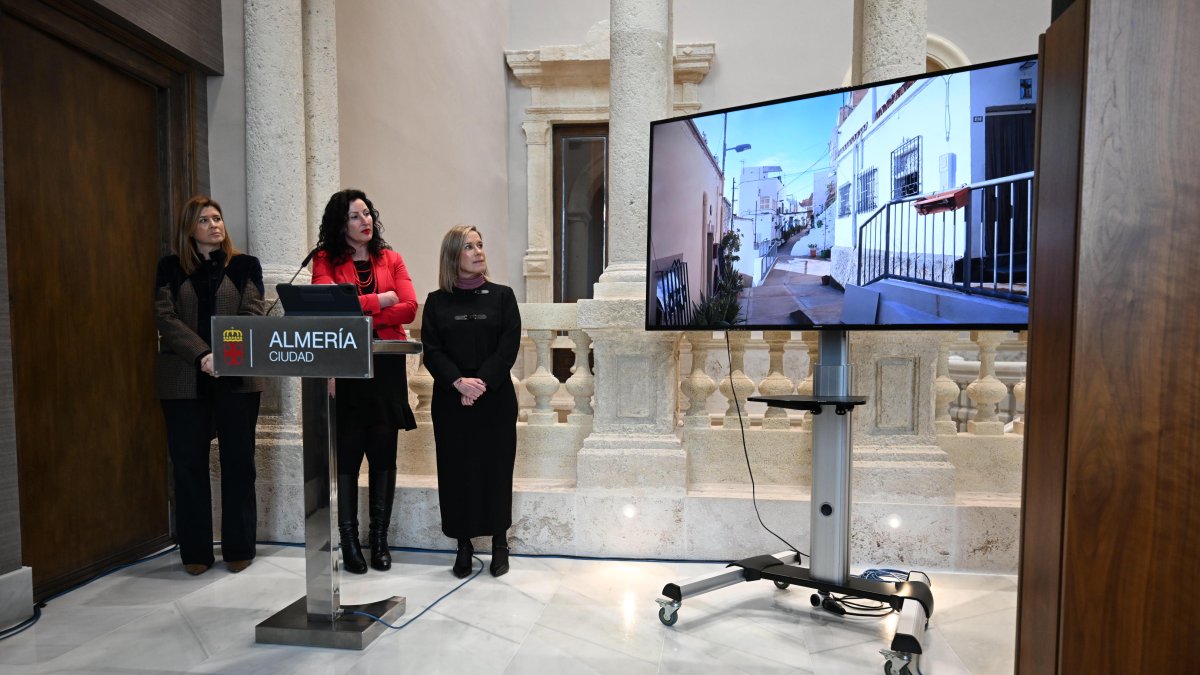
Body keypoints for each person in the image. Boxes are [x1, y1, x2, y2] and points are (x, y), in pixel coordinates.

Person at [155, 196, 265, 576]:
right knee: (189, 466)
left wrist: (224, 356)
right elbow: (166, 318)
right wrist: (203, 355)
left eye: (218, 218)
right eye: (204, 220)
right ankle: (196, 552)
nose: (215, 225)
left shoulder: (245, 265)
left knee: (239, 464)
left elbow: (251, 311)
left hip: (236, 379)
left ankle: (239, 546)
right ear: (190, 228)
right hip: (184, 380)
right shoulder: (170, 268)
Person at [311, 189, 417, 574]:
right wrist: (381, 301)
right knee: (350, 456)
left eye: (368, 213)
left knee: (383, 454)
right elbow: (328, 309)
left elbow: (408, 309)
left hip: (386, 366)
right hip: (346, 365)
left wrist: (364, 308)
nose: (365, 220)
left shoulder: (391, 258)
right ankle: (350, 540)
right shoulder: (324, 260)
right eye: (355, 216)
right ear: (341, 224)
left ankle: (380, 540)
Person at [421, 225, 521, 578]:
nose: (479, 252)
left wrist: (479, 384)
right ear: (453, 256)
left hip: (494, 400)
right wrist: (458, 383)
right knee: (456, 471)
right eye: (469, 247)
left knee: (495, 469)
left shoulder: (503, 297)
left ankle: (499, 543)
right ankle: (463, 545)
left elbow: (508, 347)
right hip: (451, 401)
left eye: (481, 245)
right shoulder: (436, 302)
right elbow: (431, 352)